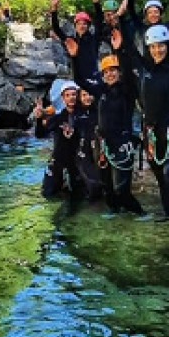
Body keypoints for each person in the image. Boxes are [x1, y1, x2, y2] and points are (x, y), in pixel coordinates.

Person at [117, 0, 169, 234]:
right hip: (151, 132)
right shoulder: (141, 67)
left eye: (162, 46)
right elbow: (128, 45)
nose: (158, 50)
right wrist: (121, 17)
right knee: (161, 177)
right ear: (149, 47)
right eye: (154, 46)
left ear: (167, 46)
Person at [68, 41, 143, 214]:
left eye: (113, 70)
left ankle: (140, 214)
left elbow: (130, 76)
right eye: (106, 71)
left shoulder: (128, 91)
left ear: (119, 72)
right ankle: (114, 214)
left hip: (123, 143)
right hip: (103, 144)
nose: (110, 74)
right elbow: (78, 80)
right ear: (102, 74)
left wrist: (117, 50)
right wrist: (74, 58)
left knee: (121, 189)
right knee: (107, 186)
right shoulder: (100, 90)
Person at [33, 79, 82, 208]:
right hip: (58, 160)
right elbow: (40, 134)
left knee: (79, 198)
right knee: (48, 194)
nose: (71, 98)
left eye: (73, 94)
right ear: (63, 98)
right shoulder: (57, 118)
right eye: (68, 95)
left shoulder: (83, 117)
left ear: (77, 96)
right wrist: (38, 120)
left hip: (76, 162)